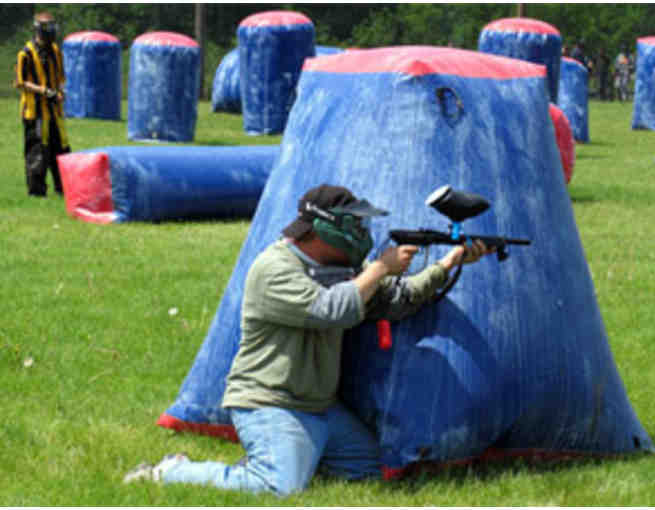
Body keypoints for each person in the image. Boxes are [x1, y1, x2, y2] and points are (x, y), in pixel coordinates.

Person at [124, 184, 493, 496]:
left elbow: (397, 300)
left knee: (368, 471)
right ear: (325, 229)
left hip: (320, 408)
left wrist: (448, 264)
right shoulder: (274, 269)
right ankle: (172, 471)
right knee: (279, 488)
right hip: (271, 403)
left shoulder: (343, 271)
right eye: (356, 224)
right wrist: (380, 268)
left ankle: (284, 457)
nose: (363, 232)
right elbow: (331, 309)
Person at [15, 11, 71, 197]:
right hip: (35, 112)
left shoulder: (56, 51)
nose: (52, 31)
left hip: (55, 112)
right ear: (38, 29)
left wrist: (60, 92)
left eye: (53, 26)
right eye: (48, 27)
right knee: (37, 151)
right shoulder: (25, 54)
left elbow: (61, 78)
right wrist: (45, 92)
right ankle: (37, 191)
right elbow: (21, 82)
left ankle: (63, 187)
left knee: (61, 149)